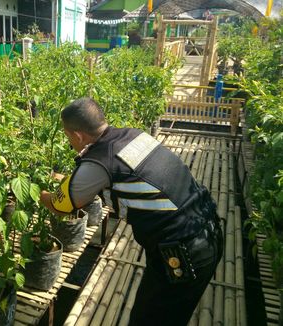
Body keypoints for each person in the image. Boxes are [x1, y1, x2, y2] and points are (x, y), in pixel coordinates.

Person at [40, 98, 223, 326]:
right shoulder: (132, 136)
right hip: (208, 230)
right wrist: (65, 181)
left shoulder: (98, 163)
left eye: (68, 137)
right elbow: (115, 179)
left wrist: (38, 191)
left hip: (184, 255)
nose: (70, 142)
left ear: (78, 136)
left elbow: (60, 205)